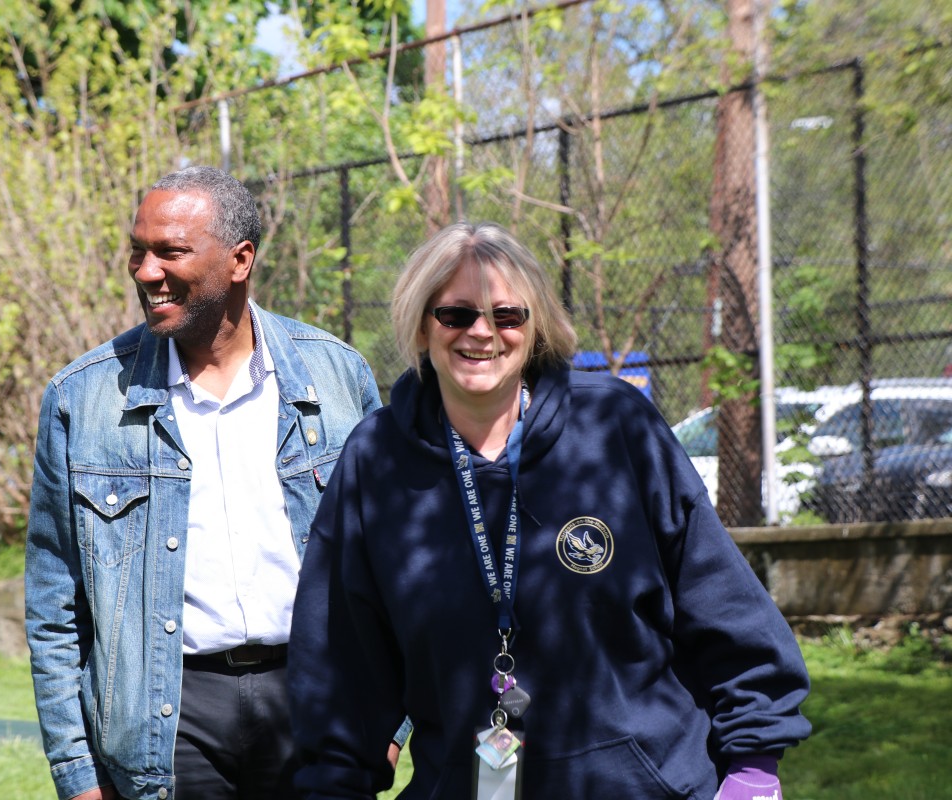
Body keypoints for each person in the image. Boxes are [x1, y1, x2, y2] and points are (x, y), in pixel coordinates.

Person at [288, 221, 811, 799]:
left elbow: (724, 608)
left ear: (535, 328)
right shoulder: (376, 460)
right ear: (421, 323)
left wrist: (753, 771)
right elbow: (341, 669)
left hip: (649, 784)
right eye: (457, 314)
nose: (482, 333)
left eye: (507, 316)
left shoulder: (615, 426)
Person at [25, 166, 387, 800]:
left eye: (170, 251)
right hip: (167, 718)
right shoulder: (80, 399)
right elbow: (55, 609)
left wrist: (391, 724)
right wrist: (78, 774)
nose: (144, 271)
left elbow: (395, 563)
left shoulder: (337, 378)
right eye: (138, 251)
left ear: (240, 259)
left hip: (318, 703)